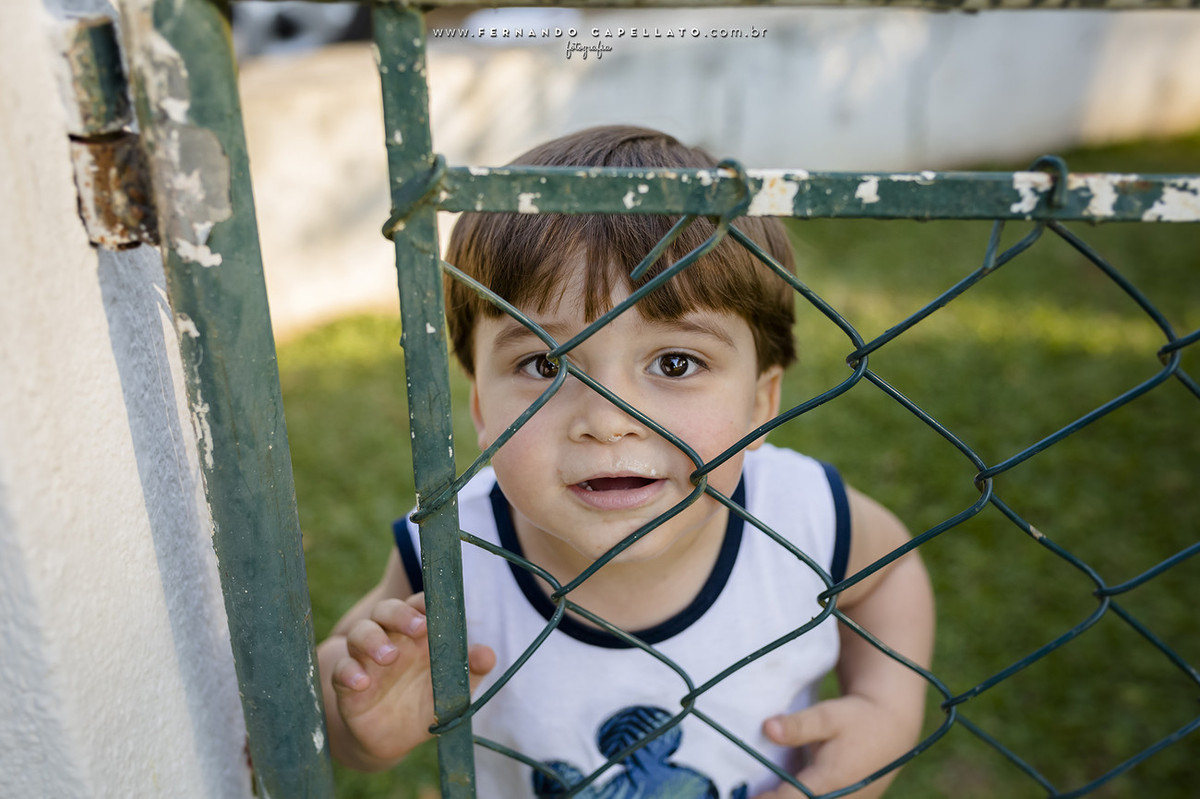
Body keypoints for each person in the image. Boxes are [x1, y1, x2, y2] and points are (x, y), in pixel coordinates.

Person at [317, 125, 935, 799]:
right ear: (481, 409)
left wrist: (887, 708)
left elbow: (889, 571)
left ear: (762, 403)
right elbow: (348, 689)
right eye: (544, 364)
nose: (609, 419)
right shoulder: (453, 548)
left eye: (675, 362)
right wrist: (361, 728)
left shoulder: (804, 514)